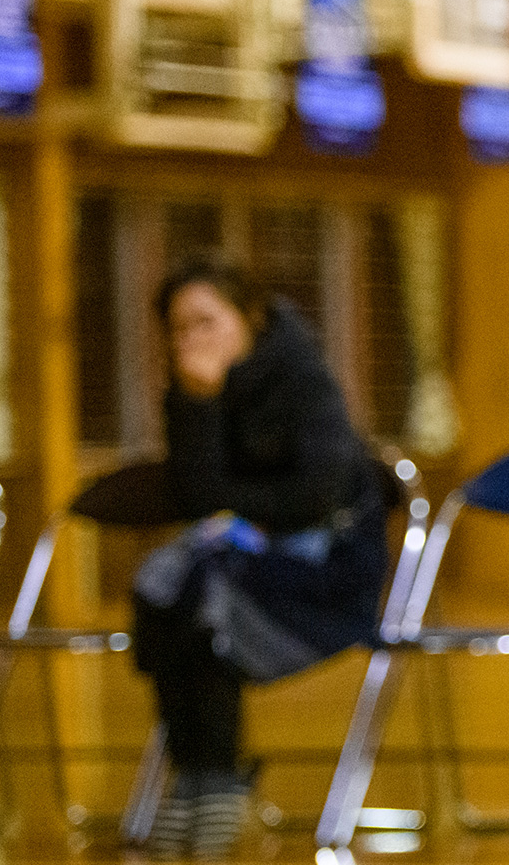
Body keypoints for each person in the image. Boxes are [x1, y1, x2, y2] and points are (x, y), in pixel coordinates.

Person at [134, 257, 390, 860]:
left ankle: (218, 780)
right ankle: (200, 780)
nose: (192, 340)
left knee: (205, 594)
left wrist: (233, 514)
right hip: (243, 561)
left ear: (249, 318)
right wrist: (198, 402)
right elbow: (194, 496)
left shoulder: (304, 379)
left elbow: (315, 496)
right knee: (164, 585)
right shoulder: (193, 391)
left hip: (326, 570)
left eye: (206, 321)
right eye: (178, 329)